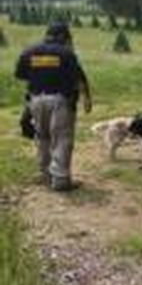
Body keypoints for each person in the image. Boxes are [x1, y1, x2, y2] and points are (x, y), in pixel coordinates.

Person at [15, 21, 92, 191]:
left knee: (42, 138)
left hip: (35, 100)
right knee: (62, 138)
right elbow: (77, 77)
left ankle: (45, 175)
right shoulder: (67, 53)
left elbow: (20, 74)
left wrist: (39, 76)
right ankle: (61, 180)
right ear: (64, 36)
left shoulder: (29, 51)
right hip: (60, 101)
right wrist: (87, 99)